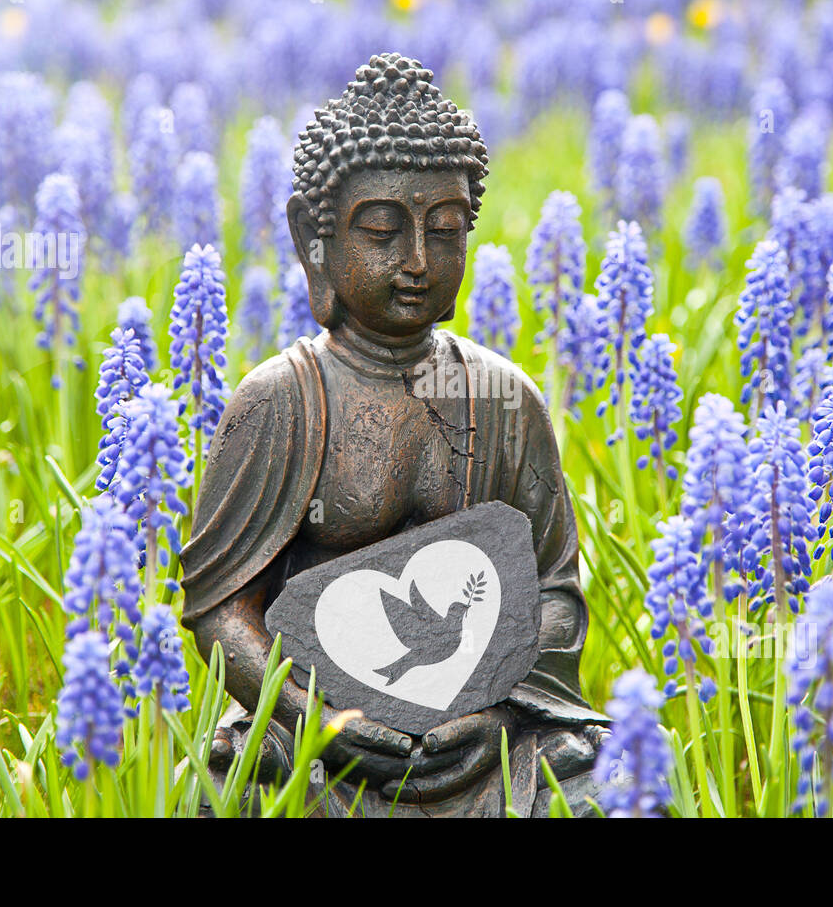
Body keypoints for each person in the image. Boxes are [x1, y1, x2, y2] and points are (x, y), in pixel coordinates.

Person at [180, 54, 606, 817]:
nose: (415, 262)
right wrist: (319, 722)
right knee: (224, 796)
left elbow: (555, 596)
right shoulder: (279, 402)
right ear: (314, 242)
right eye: (381, 230)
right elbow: (218, 610)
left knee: (620, 782)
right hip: (320, 738)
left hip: (481, 735)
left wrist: (499, 711)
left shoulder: (505, 399)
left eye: (444, 232)